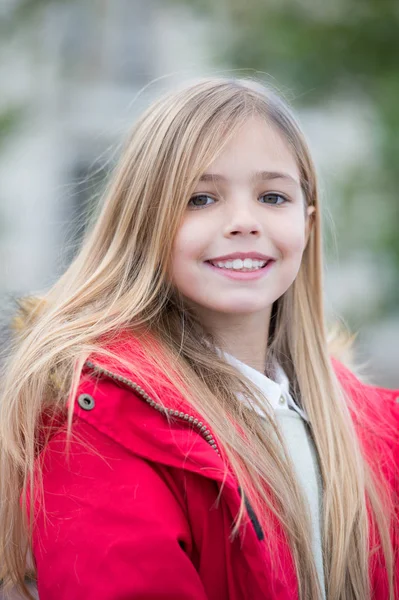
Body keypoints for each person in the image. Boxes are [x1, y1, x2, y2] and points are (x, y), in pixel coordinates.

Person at [0, 78, 398, 600]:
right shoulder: (98, 423)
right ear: (145, 224)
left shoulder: (378, 428)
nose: (243, 222)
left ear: (307, 222)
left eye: (272, 196)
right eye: (201, 198)